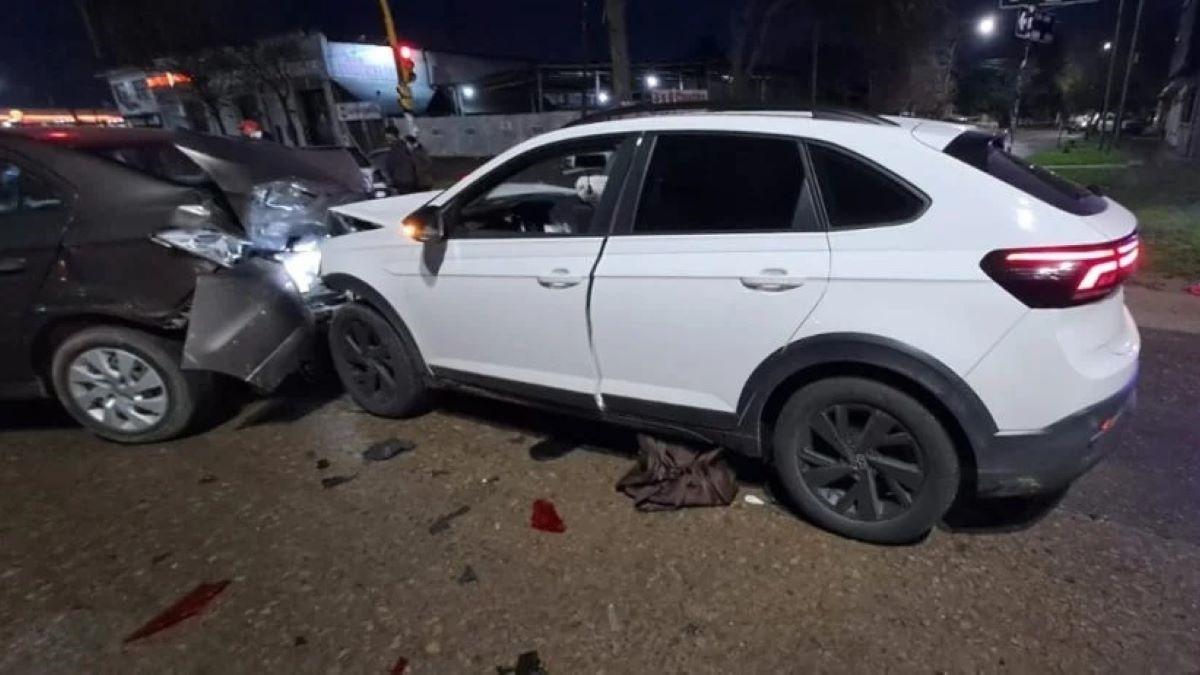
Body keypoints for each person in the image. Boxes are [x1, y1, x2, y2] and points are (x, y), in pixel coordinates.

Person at [382, 125, 418, 193]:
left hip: (402, 182)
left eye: (388, 137)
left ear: (392, 135)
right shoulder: (405, 146)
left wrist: (392, 181)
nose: (386, 139)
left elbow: (390, 166)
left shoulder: (396, 149)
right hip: (410, 180)